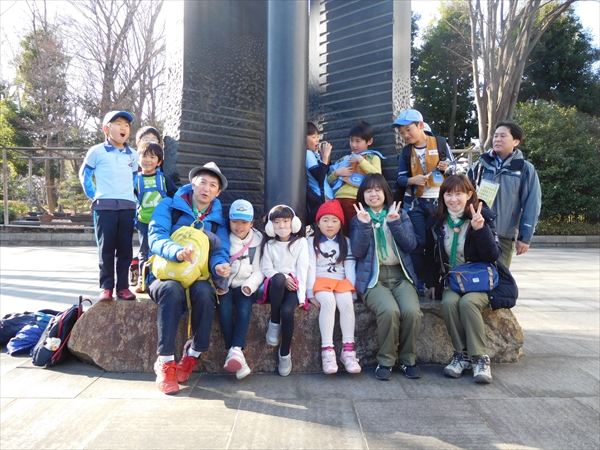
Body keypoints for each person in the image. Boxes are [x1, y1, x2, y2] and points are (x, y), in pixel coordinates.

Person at [423, 174, 518, 384]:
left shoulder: (481, 217)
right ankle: (461, 355)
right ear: (442, 196)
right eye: (448, 194)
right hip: (453, 281)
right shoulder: (436, 223)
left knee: (468, 303)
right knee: (448, 303)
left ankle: (479, 358)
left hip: (479, 280)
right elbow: (429, 256)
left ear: (469, 195)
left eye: (459, 193)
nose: (453, 199)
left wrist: (480, 229)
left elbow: (492, 256)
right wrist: (431, 282)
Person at [148, 162, 231, 394]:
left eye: (212, 185)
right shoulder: (170, 206)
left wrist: (220, 267)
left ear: (218, 192)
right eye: (202, 182)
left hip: (196, 276)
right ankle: (165, 362)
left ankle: (193, 353)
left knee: (206, 293)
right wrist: (176, 251)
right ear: (192, 183)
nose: (206, 188)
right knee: (171, 290)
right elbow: (155, 235)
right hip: (165, 274)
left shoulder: (217, 220)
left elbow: (220, 251)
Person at [350, 174, 423, 380]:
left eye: (377, 190)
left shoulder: (400, 214)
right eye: (368, 191)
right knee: (390, 311)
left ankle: (408, 360)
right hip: (374, 278)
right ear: (362, 195)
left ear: (385, 193)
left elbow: (411, 245)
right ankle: (386, 361)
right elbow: (357, 251)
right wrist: (364, 226)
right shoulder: (358, 218)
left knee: (412, 312)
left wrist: (395, 224)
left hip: (401, 276)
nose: (373, 194)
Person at [392, 109, 456, 294]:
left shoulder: (441, 143)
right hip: (416, 203)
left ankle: (444, 281)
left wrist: (446, 167)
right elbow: (400, 179)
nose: (405, 135)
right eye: (401, 132)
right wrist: (412, 180)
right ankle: (419, 282)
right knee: (417, 243)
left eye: (408, 130)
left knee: (442, 242)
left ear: (420, 125)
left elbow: (453, 169)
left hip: (440, 202)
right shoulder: (406, 152)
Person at [79, 110, 138, 302]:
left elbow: (136, 180)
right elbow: (85, 174)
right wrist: (94, 194)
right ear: (106, 129)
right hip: (105, 207)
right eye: (118, 123)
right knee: (106, 248)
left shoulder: (133, 155)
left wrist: (135, 200)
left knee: (125, 249)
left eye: (127, 125)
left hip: (128, 206)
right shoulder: (97, 151)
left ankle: (123, 287)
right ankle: (106, 287)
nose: (123, 128)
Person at [468, 121, 541, 268]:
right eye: (495, 136)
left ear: (516, 141)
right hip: (477, 231)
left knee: (500, 280)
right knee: (477, 276)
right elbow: (464, 195)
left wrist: (525, 237)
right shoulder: (480, 165)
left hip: (504, 236)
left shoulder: (525, 169)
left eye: (503, 136)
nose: (497, 139)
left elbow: (532, 204)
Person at [307, 200, 361, 375]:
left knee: (346, 302)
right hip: (321, 281)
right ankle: (327, 350)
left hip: (341, 282)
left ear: (340, 224)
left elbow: (350, 268)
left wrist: (352, 291)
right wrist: (310, 293)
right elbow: (309, 268)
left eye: (334, 220)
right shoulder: (311, 242)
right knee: (328, 303)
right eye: (325, 220)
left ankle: (348, 350)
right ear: (318, 223)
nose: (329, 224)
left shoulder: (346, 242)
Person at [218, 199, 265, 380]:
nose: (239, 226)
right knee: (224, 309)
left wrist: (249, 286)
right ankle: (236, 352)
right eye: (235, 221)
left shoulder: (258, 241)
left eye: (244, 222)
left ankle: (235, 349)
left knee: (244, 310)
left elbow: (260, 269)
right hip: (225, 284)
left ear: (252, 223)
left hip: (246, 284)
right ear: (229, 221)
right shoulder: (224, 240)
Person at [260, 205, 309, 376]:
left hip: (293, 287)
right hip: (275, 286)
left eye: (286, 221)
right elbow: (267, 269)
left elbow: (303, 269)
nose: (281, 226)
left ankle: (285, 352)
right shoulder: (269, 245)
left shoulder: (301, 243)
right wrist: (284, 277)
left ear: (293, 223)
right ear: (270, 226)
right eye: (277, 222)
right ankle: (274, 321)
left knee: (288, 312)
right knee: (279, 278)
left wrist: (301, 296)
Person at [133, 141, 177, 292]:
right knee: (144, 252)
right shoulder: (135, 180)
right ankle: (142, 280)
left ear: (159, 162)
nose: (148, 160)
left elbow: (174, 197)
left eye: (152, 157)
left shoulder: (164, 179)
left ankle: (158, 277)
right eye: (144, 156)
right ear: (138, 159)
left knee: (161, 249)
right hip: (143, 222)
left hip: (163, 222)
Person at [328, 120, 385, 235]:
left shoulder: (372, 157)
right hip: (337, 199)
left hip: (356, 199)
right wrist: (337, 173)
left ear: (370, 141)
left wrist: (361, 161)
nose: (353, 145)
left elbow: (377, 175)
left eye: (358, 141)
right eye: (351, 140)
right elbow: (328, 180)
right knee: (339, 233)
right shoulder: (345, 158)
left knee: (355, 231)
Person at [306, 122, 333, 227]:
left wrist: (325, 158)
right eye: (313, 137)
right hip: (321, 198)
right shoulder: (307, 154)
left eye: (318, 137)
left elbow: (325, 171)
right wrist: (325, 157)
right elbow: (319, 177)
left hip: (326, 197)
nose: (317, 140)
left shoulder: (313, 154)